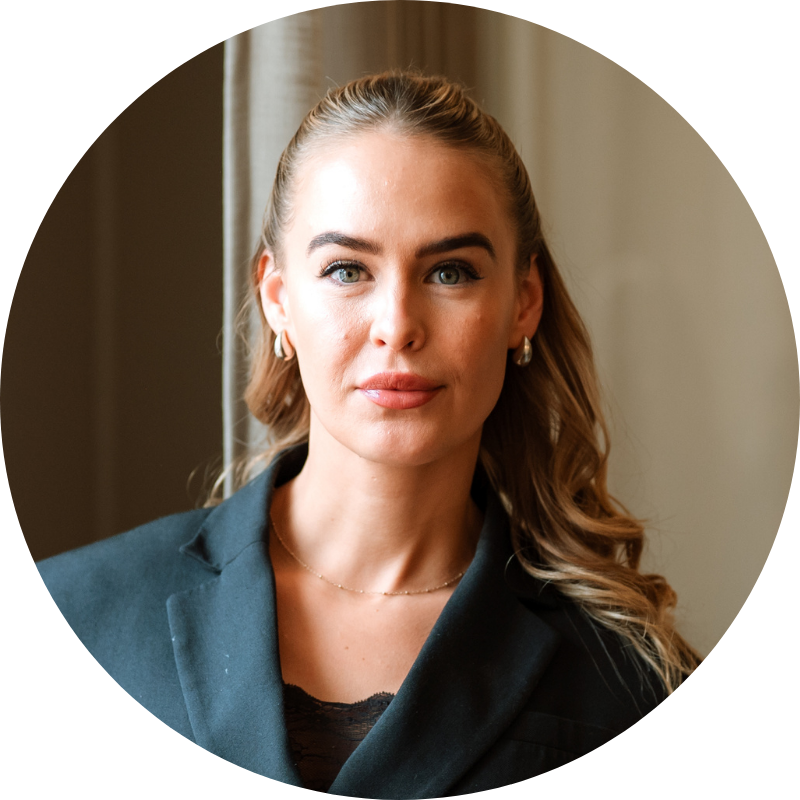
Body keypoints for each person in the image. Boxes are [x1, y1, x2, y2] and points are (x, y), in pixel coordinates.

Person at [35, 70, 699, 796]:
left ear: (523, 303)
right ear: (279, 299)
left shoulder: (629, 681)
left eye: (451, 272)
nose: (397, 327)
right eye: (347, 269)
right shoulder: (71, 613)